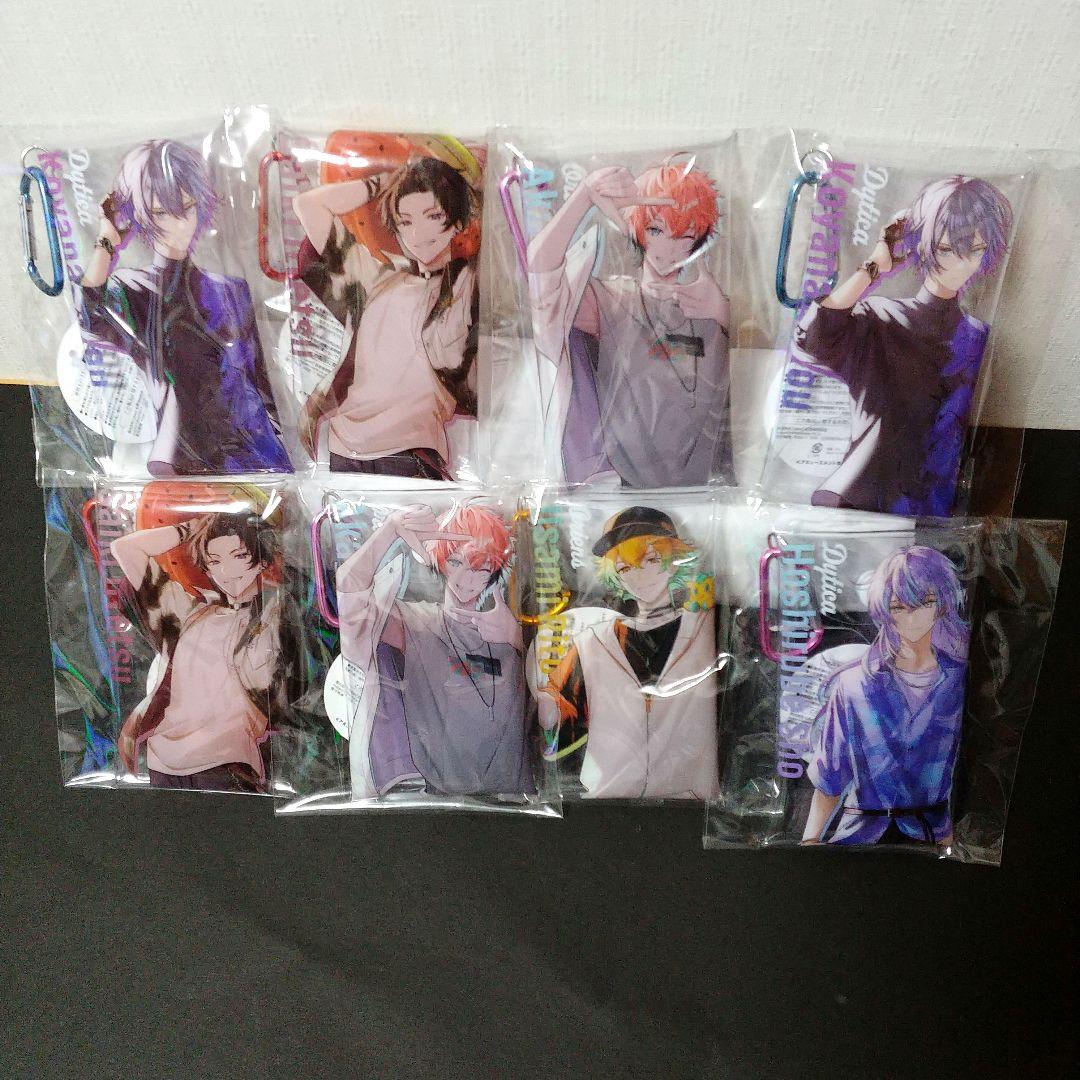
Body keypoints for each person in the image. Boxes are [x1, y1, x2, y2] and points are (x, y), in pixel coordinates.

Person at [793, 175, 1014, 515]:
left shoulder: (975, 336)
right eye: (946, 249)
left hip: (928, 511)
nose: (960, 264)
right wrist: (873, 268)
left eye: (975, 250)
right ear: (923, 245)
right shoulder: (881, 318)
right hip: (854, 500)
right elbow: (811, 339)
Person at [76, 139, 291, 476]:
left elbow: (257, 379)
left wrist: (280, 446)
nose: (179, 224)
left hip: (251, 453)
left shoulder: (231, 290)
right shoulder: (133, 288)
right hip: (182, 456)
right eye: (161, 213)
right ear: (139, 214)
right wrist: (107, 240)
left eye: (187, 207)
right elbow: (89, 317)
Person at [527, 157, 731, 486]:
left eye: (684, 235)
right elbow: (540, 272)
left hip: (708, 487)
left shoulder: (713, 305)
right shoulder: (612, 299)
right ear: (637, 228)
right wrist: (584, 196)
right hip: (623, 482)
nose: (667, 248)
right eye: (655, 230)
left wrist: (722, 312)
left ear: (699, 240)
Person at [293, 150, 482, 477]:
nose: (418, 233)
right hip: (346, 448)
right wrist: (387, 180)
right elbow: (308, 205)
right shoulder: (376, 277)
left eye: (433, 216)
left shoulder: (468, 283)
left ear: (457, 222)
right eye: (406, 221)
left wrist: (478, 184)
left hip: (412, 451)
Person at [337, 502, 530, 799]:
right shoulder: (415, 622)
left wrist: (517, 640)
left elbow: (550, 701)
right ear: (439, 561)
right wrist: (390, 529)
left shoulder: (514, 626)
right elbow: (349, 590)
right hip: (434, 799)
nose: (465, 578)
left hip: (517, 798)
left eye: (480, 566)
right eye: (455, 562)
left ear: (494, 570)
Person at [539, 507, 719, 799]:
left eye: (652, 560)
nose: (639, 576)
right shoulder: (592, 641)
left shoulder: (705, 629)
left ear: (674, 562)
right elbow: (557, 704)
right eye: (625, 568)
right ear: (616, 577)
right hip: (608, 795)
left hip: (692, 796)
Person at [110, 501, 284, 792]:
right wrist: (196, 527)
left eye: (239, 555)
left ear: (262, 560)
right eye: (214, 560)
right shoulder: (188, 612)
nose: (226, 570)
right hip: (163, 761)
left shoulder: (276, 615)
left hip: (227, 763)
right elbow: (125, 548)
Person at [801, 546, 968, 846]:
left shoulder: (958, 681)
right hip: (859, 836)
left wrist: (953, 846)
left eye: (925, 603)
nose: (912, 618)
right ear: (886, 610)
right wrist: (808, 842)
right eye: (899, 607)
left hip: (933, 838)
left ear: (942, 604)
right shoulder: (853, 685)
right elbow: (830, 777)